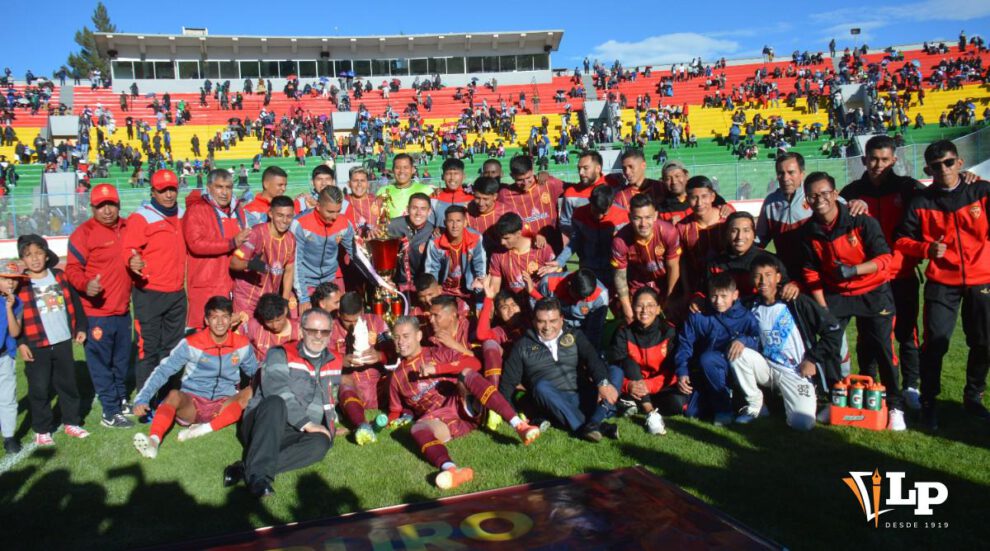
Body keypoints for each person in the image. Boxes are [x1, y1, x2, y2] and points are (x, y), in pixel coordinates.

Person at [895, 140, 990, 429]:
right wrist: (926, 250)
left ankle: (973, 397)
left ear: (960, 163)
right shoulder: (921, 201)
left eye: (949, 162)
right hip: (941, 282)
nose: (944, 169)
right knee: (935, 345)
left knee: (984, 343)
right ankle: (929, 403)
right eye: (936, 166)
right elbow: (901, 239)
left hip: (982, 279)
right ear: (928, 169)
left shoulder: (981, 191)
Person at [801, 172, 905, 430]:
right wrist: (823, 306)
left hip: (873, 291)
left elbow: (885, 259)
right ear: (807, 200)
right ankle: (836, 401)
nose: (820, 199)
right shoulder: (808, 231)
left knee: (883, 347)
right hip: (837, 295)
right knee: (830, 345)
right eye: (813, 195)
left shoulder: (861, 220)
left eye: (824, 193)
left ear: (835, 194)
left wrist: (854, 270)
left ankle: (895, 405)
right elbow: (810, 271)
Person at [388, 316, 540, 490]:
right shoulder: (396, 378)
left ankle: (519, 426)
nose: (400, 342)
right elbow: (395, 410)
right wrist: (388, 421)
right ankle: (451, 470)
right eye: (396, 337)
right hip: (439, 420)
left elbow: (475, 363)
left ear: (419, 335)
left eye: (405, 336)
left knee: (466, 373)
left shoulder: (438, 353)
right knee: (417, 428)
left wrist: (437, 369)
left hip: (463, 403)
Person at [840, 135, 925, 409]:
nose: (878, 164)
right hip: (868, 279)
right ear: (864, 159)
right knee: (869, 335)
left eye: (884, 159)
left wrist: (968, 177)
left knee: (906, 333)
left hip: (901, 274)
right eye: (873, 159)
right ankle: (869, 382)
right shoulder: (851, 191)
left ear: (894, 160)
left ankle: (911, 386)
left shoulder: (908, 188)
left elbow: (940, 195)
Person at [226, 307, 338, 498]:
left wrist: (330, 427)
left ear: (330, 334)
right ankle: (258, 478)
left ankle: (245, 468)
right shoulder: (280, 353)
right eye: (312, 331)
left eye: (324, 332)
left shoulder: (333, 361)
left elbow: (329, 399)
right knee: (276, 403)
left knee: (321, 443)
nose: (318, 337)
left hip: (296, 429)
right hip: (264, 422)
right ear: (301, 331)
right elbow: (276, 390)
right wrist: (308, 424)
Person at [132, 297, 259, 458]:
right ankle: (153, 441)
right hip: (192, 404)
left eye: (225, 317)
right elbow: (164, 370)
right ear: (206, 320)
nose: (220, 322)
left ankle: (203, 429)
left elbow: (255, 372)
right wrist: (143, 398)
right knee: (173, 395)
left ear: (231, 319)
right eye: (214, 317)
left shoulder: (242, 344)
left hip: (223, 403)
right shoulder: (190, 343)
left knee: (250, 391)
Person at [735, 254, 842, 430]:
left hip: (796, 371)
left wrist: (813, 359)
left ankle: (807, 399)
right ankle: (756, 406)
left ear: (778, 277)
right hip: (766, 368)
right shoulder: (749, 306)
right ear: (751, 279)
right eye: (757, 276)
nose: (763, 281)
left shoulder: (796, 301)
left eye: (768, 275)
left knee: (803, 424)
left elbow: (833, 331)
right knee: (738, 354)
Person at [500, 297, 624, 442]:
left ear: (561, 319)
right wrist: (514, 418)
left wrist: (602, 383)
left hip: (583, 395)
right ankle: (591, 426)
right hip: (553, 403)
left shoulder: (574, 335)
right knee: (541, 387)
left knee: (616, 371)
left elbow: (593, 359)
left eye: (552, 321)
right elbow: (506, 386)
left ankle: (594, 422)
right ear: (534, 321)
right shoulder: (522, 347)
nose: (547, 327)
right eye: (541, 321)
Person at [65, 184, 134, 429]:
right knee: (101, 364)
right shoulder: (83, 234)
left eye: (111, 204)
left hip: (123, 310)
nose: (107, 210)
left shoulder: (127, 227)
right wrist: (85, 285)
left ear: (118, 204)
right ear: (92, 207)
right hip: (96, 314)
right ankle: (110, 411)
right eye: (101, 206)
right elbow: (71, 269)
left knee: (122, 360)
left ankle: (120, 397)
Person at [122, 169, 188, 408]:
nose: (169, 194)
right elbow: (129, 249)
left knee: (174, 349)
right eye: (163, 191)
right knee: (148, 348)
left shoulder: (182, 214)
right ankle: (144, 400)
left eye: (172, 189)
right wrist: (132, 260)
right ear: (153, 192)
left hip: (177, 293)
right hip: (149, 293)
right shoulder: (141, 217)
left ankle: (170, 397)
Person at [16, 235, 89, 445]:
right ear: (22, 259)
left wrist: (80, 327)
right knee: (39, 388)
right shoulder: (20, 284)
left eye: (39, 253)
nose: (35, 259)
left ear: (47, 256)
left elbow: (76, 303)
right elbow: (15, 316)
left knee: (67, 384)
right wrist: (21, 343)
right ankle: (42, 428)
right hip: (35, 345)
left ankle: (71, 422)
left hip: (62, 340)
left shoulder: (59, 276)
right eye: (28, 255)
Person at [675, 273, 760, 426]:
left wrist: (743, 340)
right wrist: (682, 371)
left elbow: (758, 341)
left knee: (708, 358)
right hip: (707, 371)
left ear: (735, 295)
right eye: (714, 296)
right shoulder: (699, 315)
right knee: (691, 413)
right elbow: (685, 344)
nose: (718, 301)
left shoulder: (745, 317)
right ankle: (727, 399)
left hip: (735, 369)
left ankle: (724, 409)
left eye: (723, 296)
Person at [610, 287, 688, 435]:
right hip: (634, 384)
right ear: (633, 307)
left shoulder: (668, 332)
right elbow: (615, 367)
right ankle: (649, 412)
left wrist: (649, 386)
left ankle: (633, 404)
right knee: (628, 362)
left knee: (677, 405)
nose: (645, 310)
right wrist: (629, 385)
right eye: (639, 305)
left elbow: (674, 370)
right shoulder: (623, 331)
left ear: (658, 309)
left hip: (659, 386)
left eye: (650, 305)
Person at [184, 169, 249, 329]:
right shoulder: (197, 209)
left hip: (235, 282)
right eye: (219, 187)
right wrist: (231, 243)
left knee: (234, 330)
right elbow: (196, 244)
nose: (224, 192)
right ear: (208, 187)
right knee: (205, 333)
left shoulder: (238, 210)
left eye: (228, 187)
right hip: (207, 282)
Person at [292, 186, 372, 311]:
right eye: (330, 212)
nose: (335, 217)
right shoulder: (300, 224)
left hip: (331, 279)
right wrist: (303, 298)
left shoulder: (344, 223)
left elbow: (356, 255)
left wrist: (377, 280)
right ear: (318, 206)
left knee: (339, 321)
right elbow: (296, 263)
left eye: (338, 211)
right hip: (306, 282)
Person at [331, 292, 393, 445]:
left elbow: (394, 353)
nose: (351, 325)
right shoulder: (330, 328)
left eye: (356, 320)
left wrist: (380, 355)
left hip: (378, 384)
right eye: (346, 321)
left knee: (398, 378)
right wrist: (341, 361)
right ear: (339, 314)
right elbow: (321, 359)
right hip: (353, 386)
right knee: (345, 382)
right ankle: (362, 425)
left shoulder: (377, 322)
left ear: (363, 313)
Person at [611, 193, 681, 324]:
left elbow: (673, 266)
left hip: (664, 283)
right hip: (637, 284)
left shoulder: (669, 232)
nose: (643, 224)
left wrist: (670, 296)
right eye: (637, 218)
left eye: (648, 217)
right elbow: (619, 277)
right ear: (630, 217)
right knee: (635, 321)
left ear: (655, 215)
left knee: (672, 318)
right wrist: (627, 308)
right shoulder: (620, 241)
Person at [230, 195, 296, 324]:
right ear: (270, 214)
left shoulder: (291, 239)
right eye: (280, 215)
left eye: (289, 216)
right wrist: (250, 264)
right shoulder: (256, 234)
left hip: (270, 301)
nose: (284, 220)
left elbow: (289, 271)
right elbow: (233, 263)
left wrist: (284, 301)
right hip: (247, 299)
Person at [553, 184, 628, 287]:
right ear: (590, 201)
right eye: (595, 211)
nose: (599, 216)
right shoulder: (579, 215)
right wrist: (559, 261)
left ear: (611, 204)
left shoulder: (623, 216)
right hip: (589, 269)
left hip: (614, 269)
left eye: (603, 212)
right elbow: (575, 241)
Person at [497, 155, 564, 251]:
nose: (525, 183)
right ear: (512, 176)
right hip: (526, 252)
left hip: (554, 248)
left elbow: (575, 189)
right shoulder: (505, 194)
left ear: (533, 171)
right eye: (520, 180)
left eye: (528, 177)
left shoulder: (548, 183)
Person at [530, 268, 609, 348]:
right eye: (578, 297)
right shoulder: (549, 283)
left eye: (585, 298)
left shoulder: (601, 295)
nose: (582, 301)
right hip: (555, 325)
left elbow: (595, 329)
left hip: (584, 327)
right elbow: (537, 309)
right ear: (569, 284)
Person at [424, 205, 486, 300]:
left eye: (458, 221)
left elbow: (480, 267)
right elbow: (432, 273)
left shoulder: (476, 238)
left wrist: (479, 297)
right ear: (445, 223)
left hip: (469, 289)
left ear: (465, 223)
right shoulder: (435, 243)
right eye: (450, 221)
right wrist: (434, 296)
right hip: (443, 290)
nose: (454, 226)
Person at [489, 212, 556, 293]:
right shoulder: (498, 254)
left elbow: (558, 272)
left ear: (518, 233)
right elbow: (494, 287)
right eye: (500, 238)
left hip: (541, 301)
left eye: (506, 238)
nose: (502, 242)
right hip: (514, 303)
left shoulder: (541, 248)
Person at [0, 261, 25, 453]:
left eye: (15, 280)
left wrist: (9, 308)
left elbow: (15, 332)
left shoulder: (17, 303)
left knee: (8, 396)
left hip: (4, 356)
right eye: (6, 278)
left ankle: (9, 437)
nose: (11, 283)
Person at [559, 151, 608, 238]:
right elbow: (565, 222)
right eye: (579, 168)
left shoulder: (614, 185)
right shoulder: (571, 193)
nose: (581, 172)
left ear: (598, 168)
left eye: (585, 168)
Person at [244, 293, 300, 363]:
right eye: (269, 322)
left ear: (285, 311)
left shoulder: (300, 330)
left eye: (278, 320)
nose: (275, 326)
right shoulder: (254, 326)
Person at [377, 154, 432, 219]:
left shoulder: (426, 191)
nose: (401, 171)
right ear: (393, 170)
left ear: (413, 170)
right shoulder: (382, 192)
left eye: (406, 167)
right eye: (397, 168)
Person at [466, 176, 508, 259]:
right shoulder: (466, 212)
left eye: (485, 199)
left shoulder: (506, 212)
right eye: (477, 198)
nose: (481, 203)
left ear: (495, 196)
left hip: (501, 259)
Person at [430, 158, 474, 228]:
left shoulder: (473, 199)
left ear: (464, 176)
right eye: (448, 174)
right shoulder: (433, 198)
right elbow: (428, 224)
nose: (452, 178)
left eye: (456, 173)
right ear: (442, 176)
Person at [343, 166, 381, 237]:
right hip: (351, 246)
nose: (359, 184)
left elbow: (384, 225)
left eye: (362, 181)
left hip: (374, 245)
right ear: (349, 184)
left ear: (367, 184)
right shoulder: (343, 203)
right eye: (355, 181)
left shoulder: (377, 201)